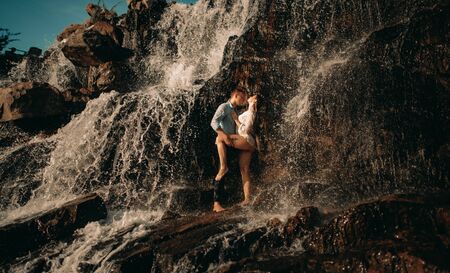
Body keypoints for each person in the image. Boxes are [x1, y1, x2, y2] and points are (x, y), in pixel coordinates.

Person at [210, 87, 256, 212]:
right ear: (236, 95)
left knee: (238, 170)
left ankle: (247, 199)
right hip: (226, 142)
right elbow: (213, 122)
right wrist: (223, 135)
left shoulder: (235, 110)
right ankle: (216, 204)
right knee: (223, 169)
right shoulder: (224, 107)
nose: (244, 100)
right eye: (242, 97)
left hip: (233, 143)